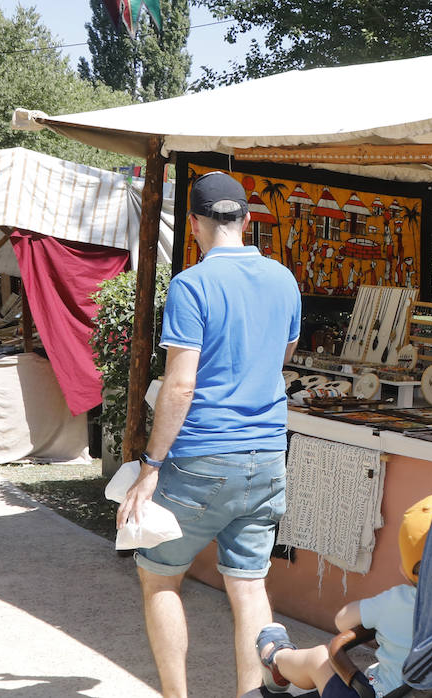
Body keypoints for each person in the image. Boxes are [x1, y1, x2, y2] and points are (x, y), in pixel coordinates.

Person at [116, 171, 302, 698]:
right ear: (246, 220)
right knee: (248, 586)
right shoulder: (284, 280)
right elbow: (282, 357)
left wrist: (150, 467)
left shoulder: (191, 284)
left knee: (159, 575)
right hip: (266, 454)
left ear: (194, 224)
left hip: (201, 454)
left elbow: (179, 385)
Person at [256, 495, 432, 697]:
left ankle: (277, 659)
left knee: (320, 657)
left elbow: (343, 620)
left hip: (378, 694)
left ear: (406, 569)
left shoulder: (399, 601)